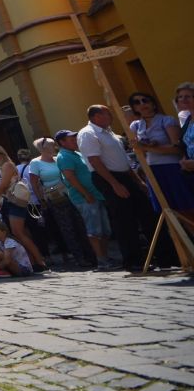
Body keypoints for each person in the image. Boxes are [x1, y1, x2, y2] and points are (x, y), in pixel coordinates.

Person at [78, 104, 157, 271]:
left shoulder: (110, 133)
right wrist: (114, 184)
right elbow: (95, 161)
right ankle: (133, 259)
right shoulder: (88, 133)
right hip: (108, 177)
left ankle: (157, 253)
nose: (111, 117)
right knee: (124, 219)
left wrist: (137, 181)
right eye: (108, 114)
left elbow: (122, 160)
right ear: (97, 116)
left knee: (146, 213)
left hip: (124, 175)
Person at [28, 137, 95, 269]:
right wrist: (41, 200)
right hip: (56, 198)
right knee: (67, 227)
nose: (55, 146)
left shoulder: (58, 158)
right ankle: (79, 257)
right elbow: (34, 183)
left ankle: (90, 254)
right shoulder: (35, 163)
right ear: (43, 148)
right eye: (52, 144)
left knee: (81, 224)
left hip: (71, 194)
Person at [56, 129, 118, 271]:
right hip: (85, 198)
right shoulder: (64, 156)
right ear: (62, 142)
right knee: (95, 229)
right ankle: (101, 260)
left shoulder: (76, 153)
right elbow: (70, 177)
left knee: (105, 229)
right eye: (71, 139)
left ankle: (105, 257)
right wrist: (85, 194)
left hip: (96, 195)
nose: (75, 140)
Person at [128, 92, 194, 225]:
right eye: (137, 102)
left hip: (172, 168)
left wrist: (148, 147)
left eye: (145, 100)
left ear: (153, 103)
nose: (142, 104)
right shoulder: (135, 126)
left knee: (186, 208)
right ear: (134, 108)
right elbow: (138, 149)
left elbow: (177, 148)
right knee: (168, 212)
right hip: (153, 171)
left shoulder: (166, 120)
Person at [0, 143, 46, 271]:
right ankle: (30, 261)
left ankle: (40, 261)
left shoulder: (7, 165)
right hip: (4, 204)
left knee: (18, 232)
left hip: (14, 201)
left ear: (1, 154)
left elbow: (3, 184)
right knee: (18, 234)